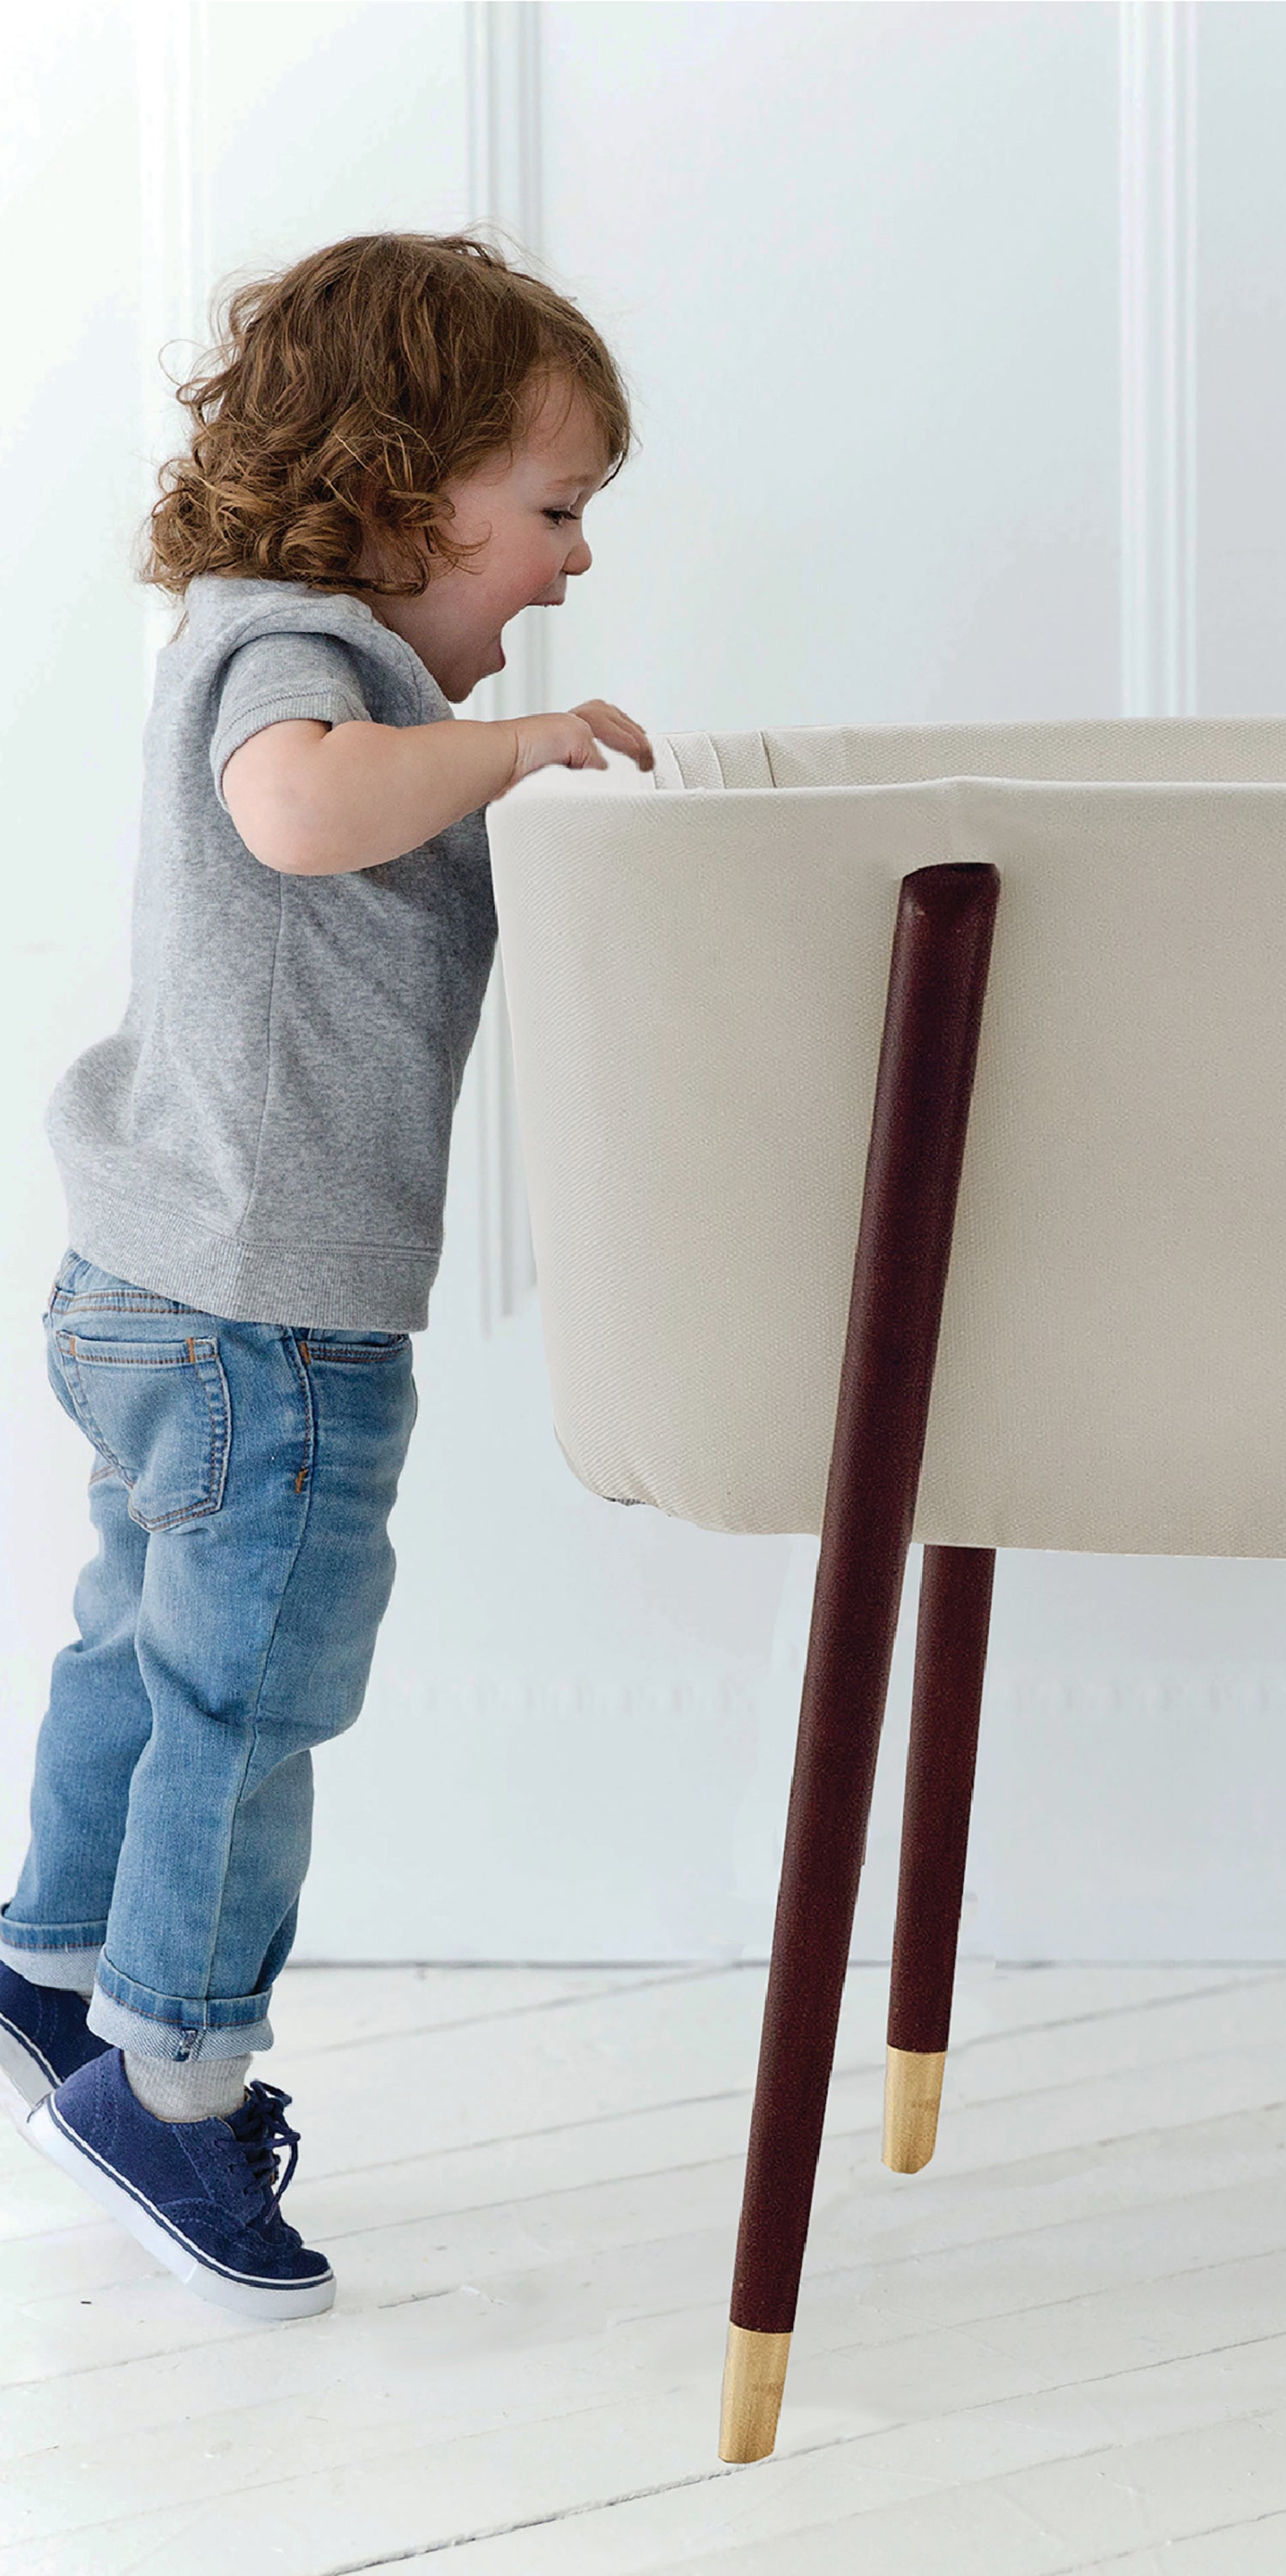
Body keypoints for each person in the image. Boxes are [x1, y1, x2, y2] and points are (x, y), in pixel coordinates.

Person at [0, 231, 652, 2319]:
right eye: (552, 512)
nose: (571, 566)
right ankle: (169, 2091)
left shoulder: (268, 637)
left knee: (140, 1648)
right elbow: (293, 813)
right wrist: (519, 751)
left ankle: (53, 1968)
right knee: (253, 1692)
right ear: (397, 495)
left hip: (159, 1279)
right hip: (268, 1315)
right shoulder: (303, 659)